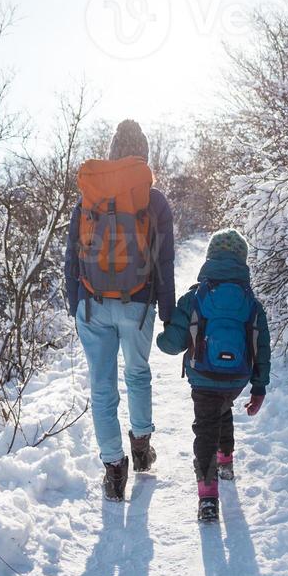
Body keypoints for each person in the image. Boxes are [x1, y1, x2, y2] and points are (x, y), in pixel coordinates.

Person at [66, 120, 176, 502]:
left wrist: (75, 303)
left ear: (112, 152)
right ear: (142, 152)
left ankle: (114, 468)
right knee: (138, 373)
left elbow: (71, 257)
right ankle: (142, 447)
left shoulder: (88, 196)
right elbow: (164, 259)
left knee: (101, 388)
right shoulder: (154, 199)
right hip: (137, 303)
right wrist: (167, 309)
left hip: (92, 305)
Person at [156, 229, 271, 523]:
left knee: (205, 427)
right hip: (236, 378)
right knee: (224, 409)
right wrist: (259, 388)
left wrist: (161, 338)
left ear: (210, 258)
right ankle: (226, 461)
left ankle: (208, 497)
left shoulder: (195, 296)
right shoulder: (252, 303)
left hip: (203, 375)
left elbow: (172, 344)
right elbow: (262, 347)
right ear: (242, 261)